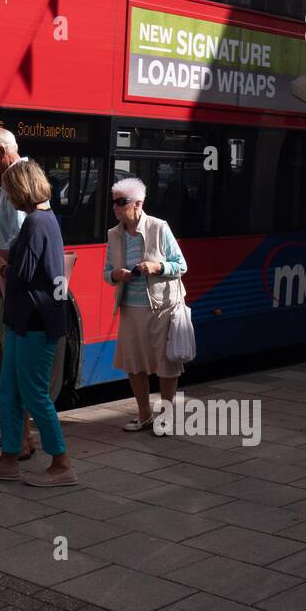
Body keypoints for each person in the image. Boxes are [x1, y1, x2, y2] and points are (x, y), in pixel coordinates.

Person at [0, 160, 76, 487]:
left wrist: (1, 265)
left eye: (9, 191)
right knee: (10, 389)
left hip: (35, 321)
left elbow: (21, 276)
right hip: (24, 320)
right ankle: (8, 460)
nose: (8, 198)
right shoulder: (44, 220)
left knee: (32, 393)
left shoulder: (35, 224)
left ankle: (61, 463)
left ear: (20, 191)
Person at [0, 128, 45, 461]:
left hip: (14, 289)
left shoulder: (17, 184)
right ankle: (17, 434)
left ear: (2, 152)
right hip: (11, 287)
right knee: (11, 367)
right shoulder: (16, 179)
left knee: (14, 370)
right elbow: (10, 233)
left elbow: (16, 243)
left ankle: (19, 442)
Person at [103, 177, 188, 431]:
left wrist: (157, 267)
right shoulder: (114, 234)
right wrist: (116, 275)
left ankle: (167, 416)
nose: (116, 208)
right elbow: (106, 272)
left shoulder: (159, 227)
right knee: (134, 364)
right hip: (130, 308)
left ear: (138, 204)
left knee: (165, 365)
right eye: (114, 203)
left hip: (162, 307)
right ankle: (144, 415)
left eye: (121, 202)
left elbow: (180, 265)